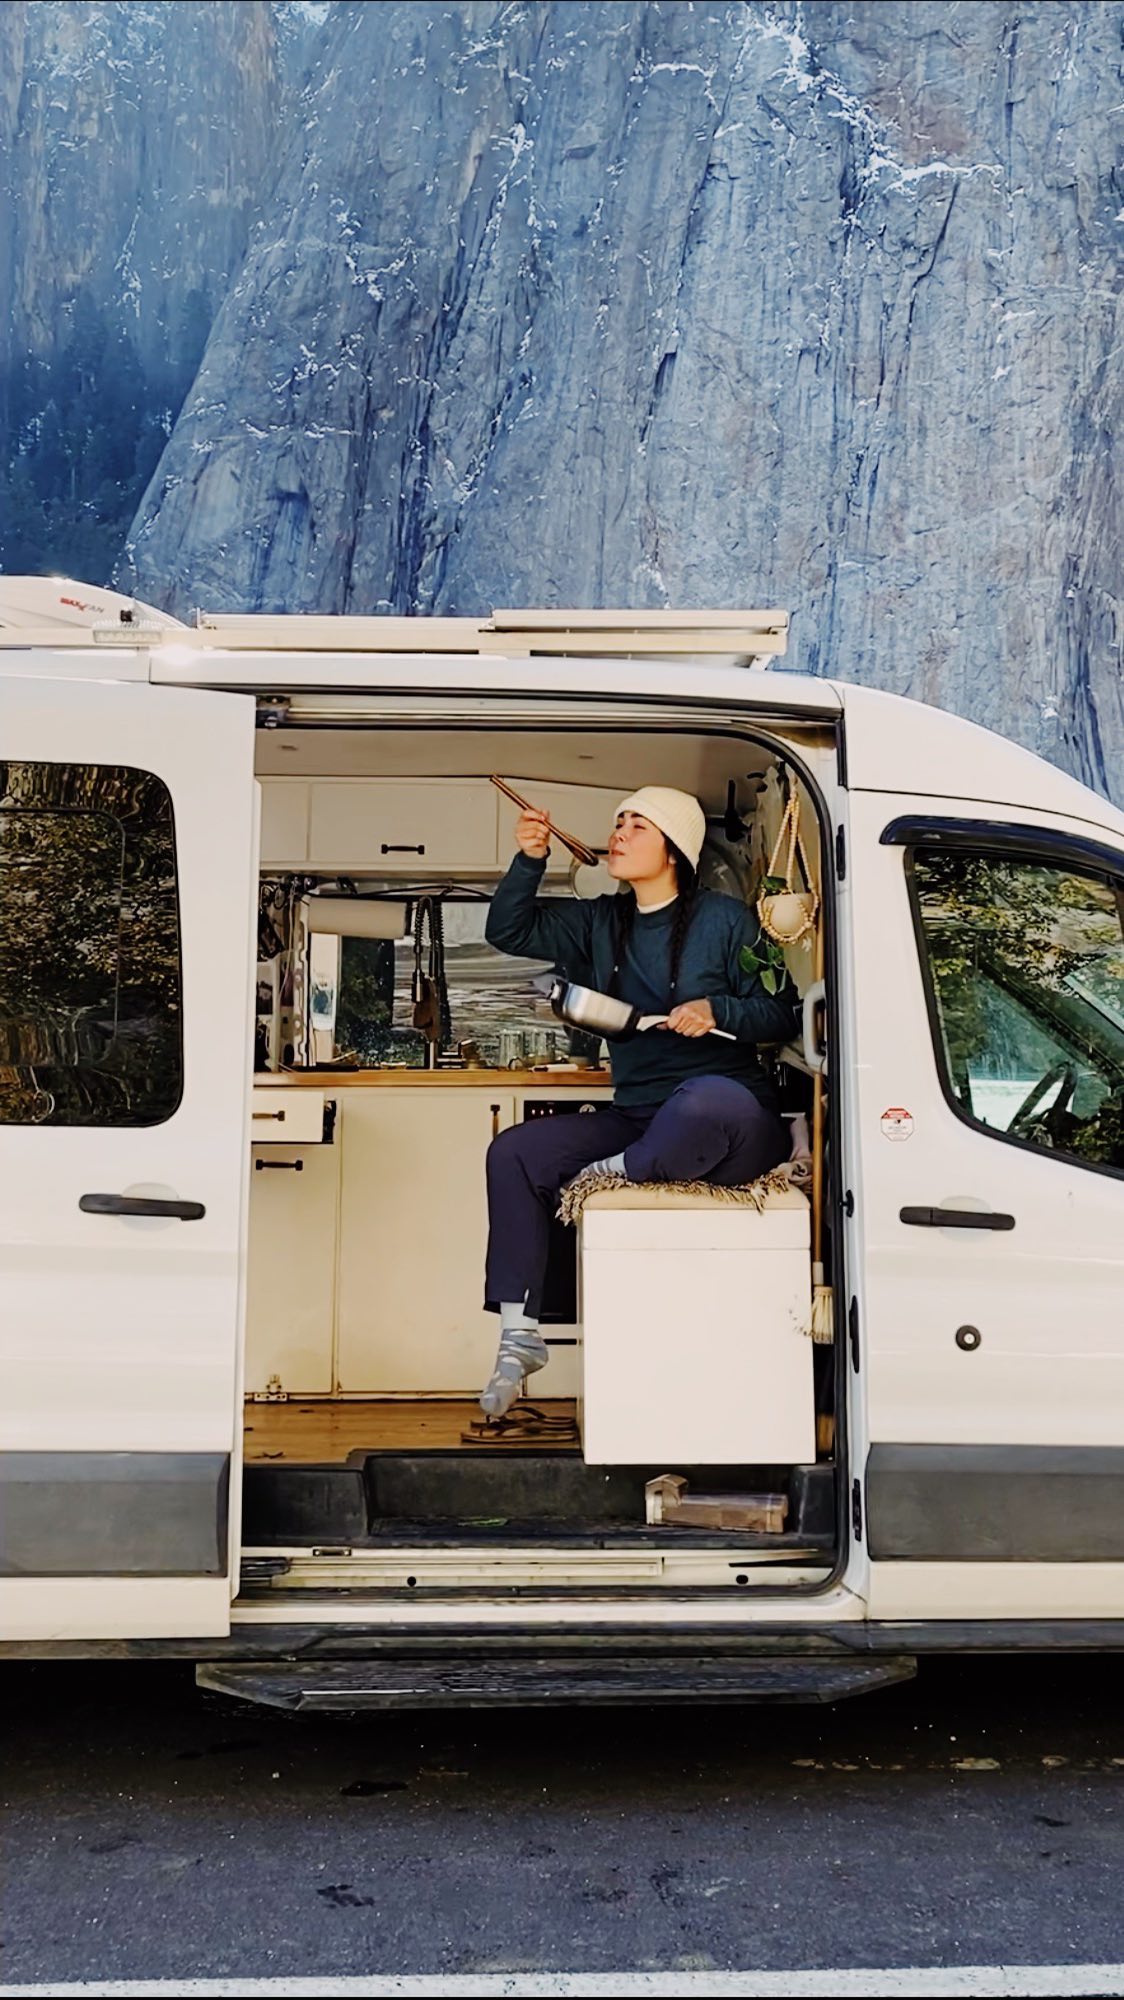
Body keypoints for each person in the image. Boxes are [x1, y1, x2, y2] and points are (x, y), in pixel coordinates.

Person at [478, 785, 802, 1416]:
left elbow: (782, 1011)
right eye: (618, 821)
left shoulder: (728, 920)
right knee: (513, 1153)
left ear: (674, 848)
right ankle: (519, 1334)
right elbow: (508, 929)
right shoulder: (600, 921)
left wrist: (719, 1010)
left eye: (637, 825)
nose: (619, 833)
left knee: (701, 1102)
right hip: (641, 1118)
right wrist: (530, 859)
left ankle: (606, 1174)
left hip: (730, 1117)